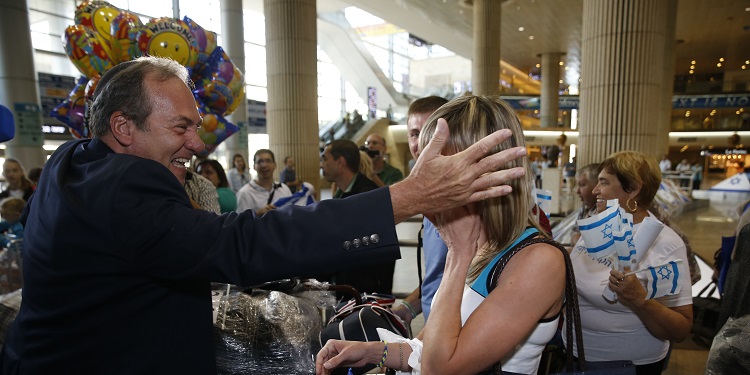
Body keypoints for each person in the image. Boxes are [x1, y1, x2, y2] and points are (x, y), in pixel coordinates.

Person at [0, 57, 527, 373]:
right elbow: (240, 245)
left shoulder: (74, 160)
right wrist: (406, 197)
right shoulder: (125, 185)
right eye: (181, 127)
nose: (196, 141)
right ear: (123, 126)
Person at [316, 95, 566, 375]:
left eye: (443, 170)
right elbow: (428, 347)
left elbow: (439, 368)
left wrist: (458, 253)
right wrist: (370, 352)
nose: (430, 184)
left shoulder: (538, 261)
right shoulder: (478, 241)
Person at [566, 151, 692, 374]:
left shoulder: (665, 244)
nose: (595, 189)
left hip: (626, 367)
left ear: (633, 188)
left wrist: (639, 299)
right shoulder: (599, 225)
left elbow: (680, 328)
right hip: (574, 355)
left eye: (603, 182)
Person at [391, 96, 449, 326]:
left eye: (431, 132)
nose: (422, 143)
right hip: (434, 330)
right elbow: (441, 274)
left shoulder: (469, 201)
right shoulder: (431, 199)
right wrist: (409, 307)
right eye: (415, 133)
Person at [321, 140, 393, 294]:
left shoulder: (365, 197)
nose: (321, 165)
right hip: (349, 289)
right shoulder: (344, 193)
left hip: (363, 295)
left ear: (340, 162)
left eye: (325, 159)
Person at [236, 149, 293, 216]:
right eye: (260, 162)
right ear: (254, 167)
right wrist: (257, 215)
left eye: (268, 161)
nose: (264, 165)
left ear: (275, 165)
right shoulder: (245, 193)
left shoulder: (284, 189)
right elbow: (240, 223)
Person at [569, 163, 600, 245]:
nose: (577, 191)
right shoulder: (585, 208)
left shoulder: (605, 212)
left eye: (582, 185)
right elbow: (574, 233)